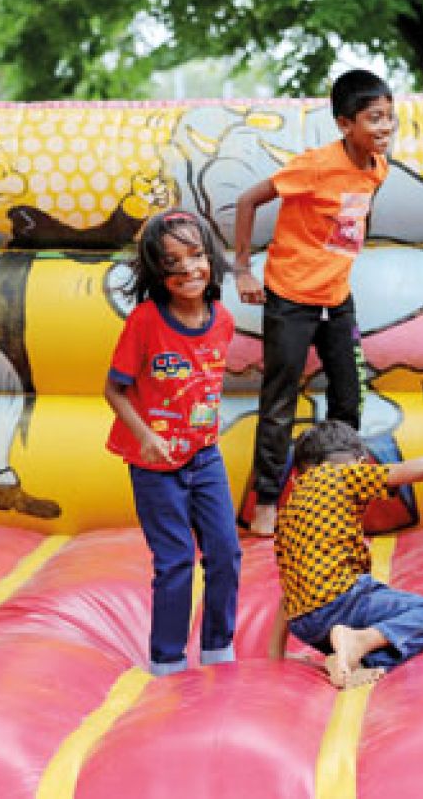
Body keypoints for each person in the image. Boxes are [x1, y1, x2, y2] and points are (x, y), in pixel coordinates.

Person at [232, 69, 395, 536]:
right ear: (345, 124)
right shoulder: (315, 166)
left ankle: (337, 492)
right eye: (374, 118)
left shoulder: (378, 167)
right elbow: (247, 201)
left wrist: (342, 256)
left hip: (336, 298)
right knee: (280, 399)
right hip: (291, 296)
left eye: (390, 117)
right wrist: (242, 270)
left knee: (349, 396)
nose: (385, 127)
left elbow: (356, 219)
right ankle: (267, 502)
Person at [104, 210, 242, 677]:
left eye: (196, 256)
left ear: (211, 258)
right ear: (157, 271)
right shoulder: (146, 321)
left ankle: (218, 647)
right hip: (155, 464)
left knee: (225, 552)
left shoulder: (222, 320)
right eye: (172, 262)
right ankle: (167, 658)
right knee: (176, 560)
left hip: (204, 456)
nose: (188, 269)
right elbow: (114, 389)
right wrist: (145, 436)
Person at [268, 420, 423, 688]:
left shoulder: (288, 512)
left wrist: (276, 654)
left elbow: (288, 592)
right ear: (359, 461)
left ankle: (349, 659)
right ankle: (360, 643)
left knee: (377, 622)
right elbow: (416, 470)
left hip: (307, 625)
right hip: (343, 603)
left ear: (297, 474)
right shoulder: (343, 474)